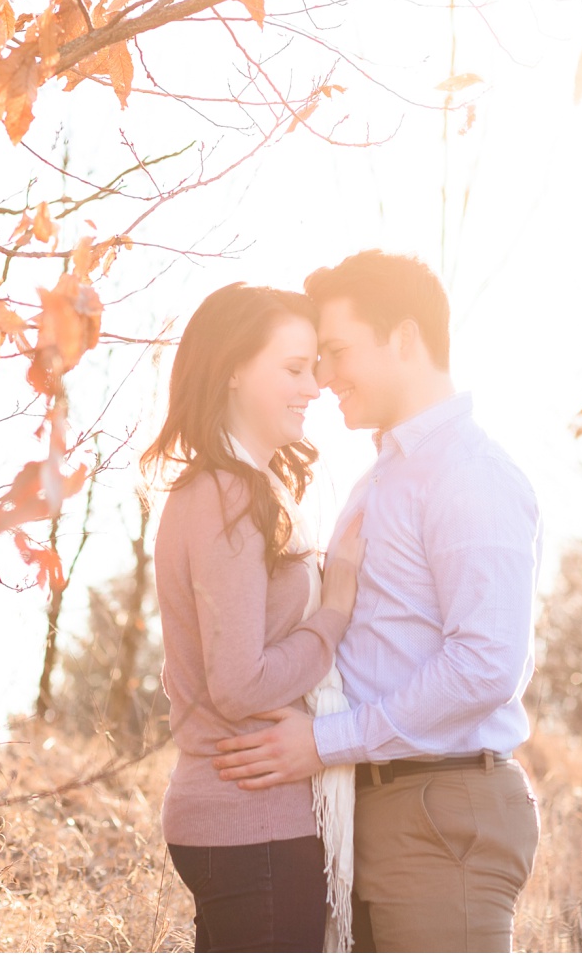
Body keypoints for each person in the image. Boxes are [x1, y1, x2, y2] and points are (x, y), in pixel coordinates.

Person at [212, 250, 543, 952]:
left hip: (440, 810)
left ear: (405, 339)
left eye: (336, 352)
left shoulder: (468, 474)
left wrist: (323, 742)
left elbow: (487, 663)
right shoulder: (383, 477)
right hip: (384, 802)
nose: (324, 376)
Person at [141, 283, 367, 952]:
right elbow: (236, 681)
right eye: (294, 369)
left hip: (243, 824)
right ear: (235, 368)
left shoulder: (239, 490)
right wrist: (333, 613)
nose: (316, 386)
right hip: (252, 826)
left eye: (316, 369)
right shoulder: (225, 494)